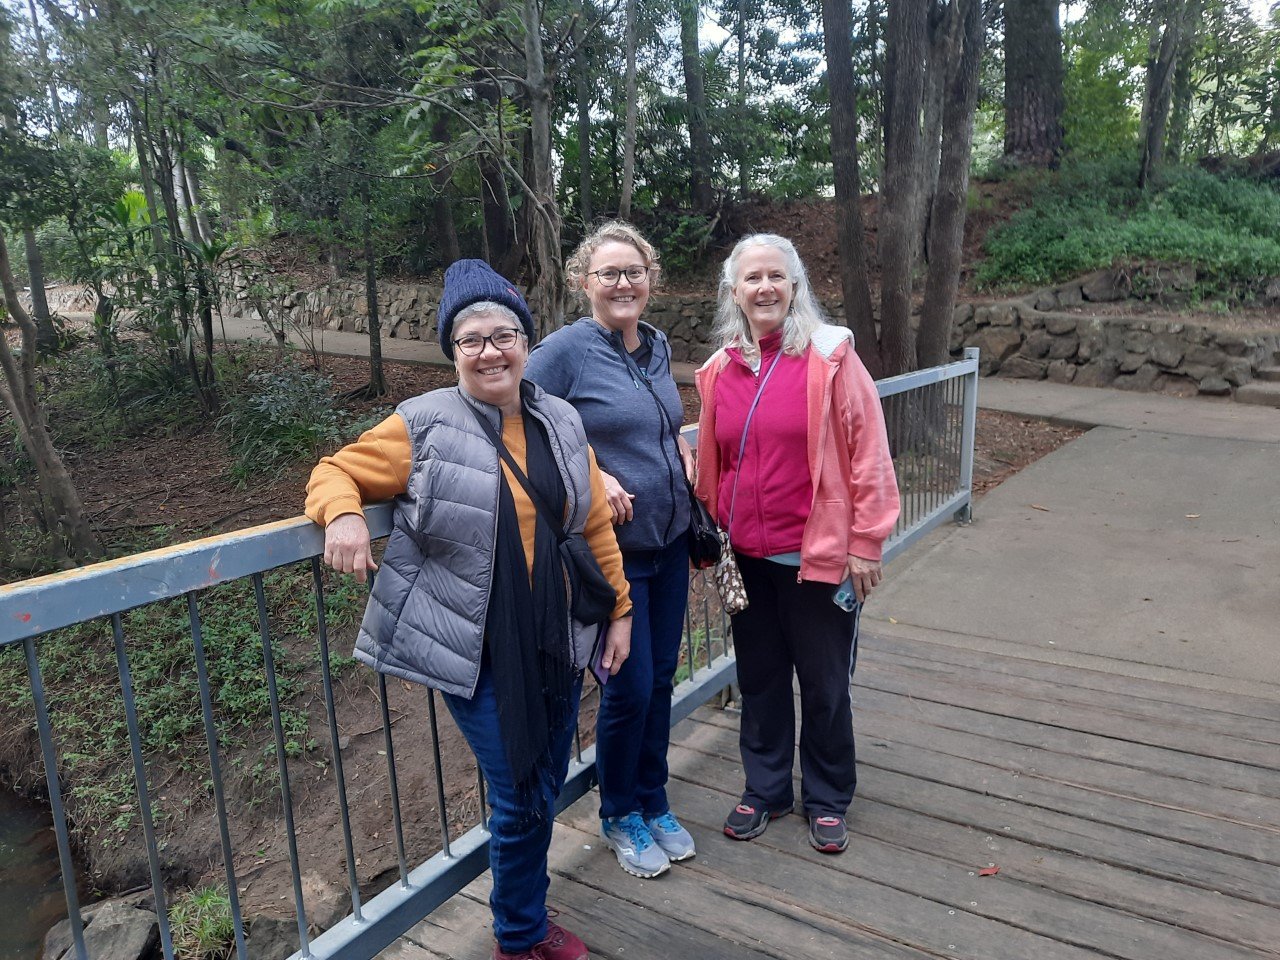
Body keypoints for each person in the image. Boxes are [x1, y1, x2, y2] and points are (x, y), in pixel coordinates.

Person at [306, 259, 633, 960]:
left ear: (526, 341)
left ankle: (526, 915)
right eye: (471, 339)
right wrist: (343, 516)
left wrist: (622, 610)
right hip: (474, 648)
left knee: (542, 784)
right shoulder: (421, 424)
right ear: (452, 351)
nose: (490, 351)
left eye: (504, 334)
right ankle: (517, 936)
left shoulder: (559, 417)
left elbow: (592, 523)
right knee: (520, 790)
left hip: (556, 636)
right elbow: (335, 470)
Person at [693, 234, 899, 855]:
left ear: (795, 287)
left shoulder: (830, 360)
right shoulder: (719, 371)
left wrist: (866, 542)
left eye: (776, 277)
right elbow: (714, 459)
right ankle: (767, 788)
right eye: (751, 278)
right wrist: (708, 530)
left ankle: (830, 796)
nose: (764, 288)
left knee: (825, 682)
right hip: (748, 560)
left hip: (819, 559)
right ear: (734, 292)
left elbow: (869, 453)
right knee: (758, 680)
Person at [524, 222, 695, 880]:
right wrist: (592, 474)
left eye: (634, 272)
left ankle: (653, 797)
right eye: (608, 274)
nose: (623, 284)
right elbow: (525, 421)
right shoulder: (565, 350)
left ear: (650, 278)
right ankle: (619, 810)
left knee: (660, 681)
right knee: (627, 689)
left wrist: (678, 445)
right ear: (582, 283)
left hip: (671, 541)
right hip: (611, 555)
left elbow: (658, 421)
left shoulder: (655, 345)